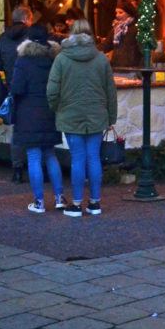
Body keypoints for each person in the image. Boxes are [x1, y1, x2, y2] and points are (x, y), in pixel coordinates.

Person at [48, 19, 117, 217]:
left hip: (70, 114)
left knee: (78, 158)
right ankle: (95, 202)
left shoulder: (62, 58)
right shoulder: (101, 59)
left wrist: (57, 109)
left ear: (71, 34)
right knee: (93, 157)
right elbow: (110, 91)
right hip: (96, 115)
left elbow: (52, 90)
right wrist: (111, 116)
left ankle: (76, 204)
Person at [11, 24, 65, 214]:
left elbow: (16, 89)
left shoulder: (23, 61)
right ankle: (59, 198)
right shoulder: (54, 60)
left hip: (28, 113)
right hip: (49, 112)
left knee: (33, 156)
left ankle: (39, 202)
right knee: (50, 154)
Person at [0, 5, 33, 183]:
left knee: (17, 131)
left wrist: (6, 82)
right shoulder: (32, 36)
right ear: (26, 19)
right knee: (36, 127)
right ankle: (37, 169)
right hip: (32, 88)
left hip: (12, 88)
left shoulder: (2, 38)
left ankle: (17, 169)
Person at [101, 2, 142, 68]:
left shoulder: (136, 29)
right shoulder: (116, 29)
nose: (117, 15)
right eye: (116, 13)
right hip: (116, 66)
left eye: (121, 12)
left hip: (132, 68)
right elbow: (106, 45)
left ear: (129, 13)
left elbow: (141, 48)